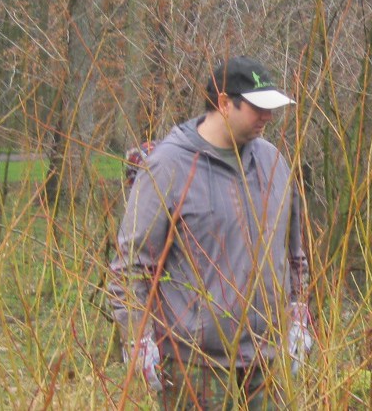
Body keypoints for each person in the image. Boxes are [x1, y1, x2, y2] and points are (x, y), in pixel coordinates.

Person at [108, 56, 311, 409]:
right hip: (195, 364)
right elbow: (131, 266)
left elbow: (293, 253)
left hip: (267, 357)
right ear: (224, 103)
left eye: (271, 108)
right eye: (257, 108)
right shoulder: (169, 166)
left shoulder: (274, 163)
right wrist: (138, 338)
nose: (268, 117)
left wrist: (297, 314)